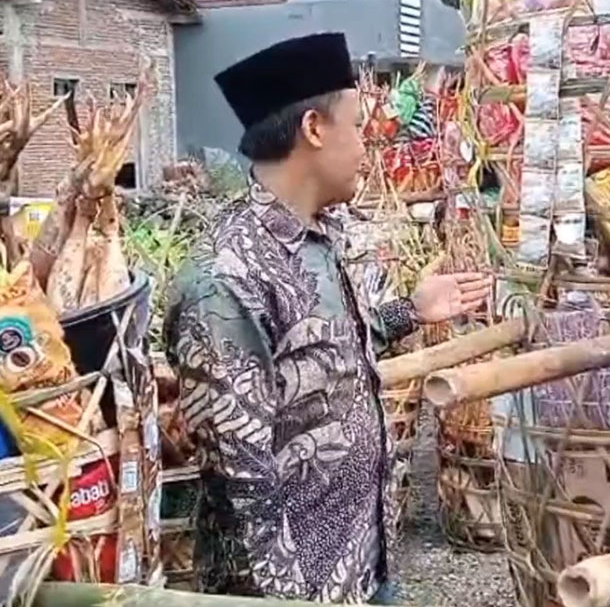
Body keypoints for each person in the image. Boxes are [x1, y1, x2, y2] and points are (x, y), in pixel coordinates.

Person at [164, 33, 491, 604]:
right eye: (359, 126)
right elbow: (244, 489)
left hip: (361, 562)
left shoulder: (320, 235)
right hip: (297, 591)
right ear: (315, 129)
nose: (369, 146)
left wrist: (409, 312)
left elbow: (320, 357)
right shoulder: (226, 279)